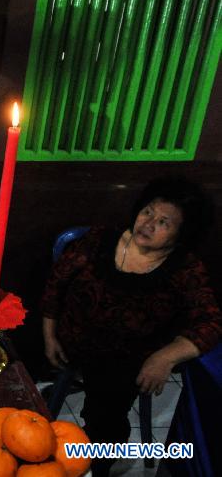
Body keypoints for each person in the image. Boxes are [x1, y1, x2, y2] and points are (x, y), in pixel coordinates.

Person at [42, 177, 222, 476]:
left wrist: (165, 357)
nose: (148, 224)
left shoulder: (185, 269)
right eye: (148, 212)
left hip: (126, 360)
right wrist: (49, 334)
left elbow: (212, 322)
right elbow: (55, 285)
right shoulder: (99, 241)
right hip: (72, 341)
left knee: (106, 420)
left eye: (163, 222)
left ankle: (96, 464)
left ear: (182, 233)